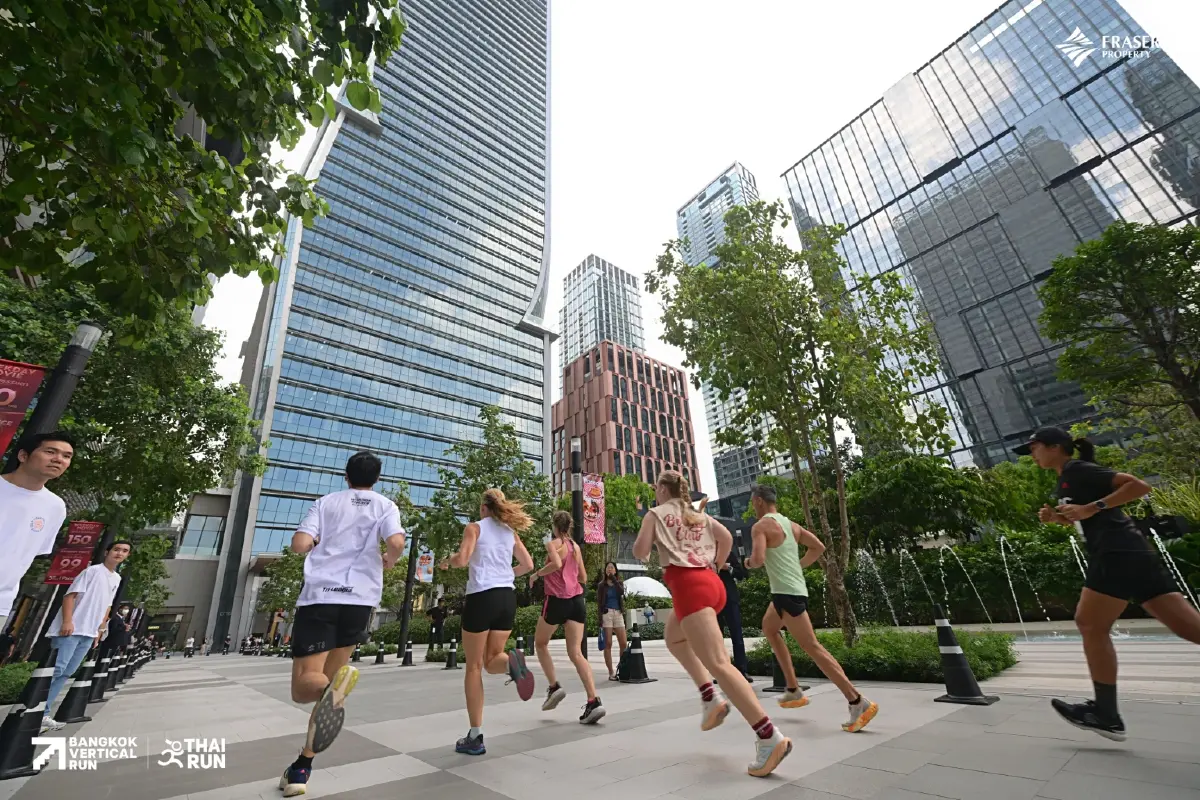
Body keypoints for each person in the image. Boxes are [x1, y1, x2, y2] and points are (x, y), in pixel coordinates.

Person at [1016, 426, 1200, 740]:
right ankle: (1106, 712)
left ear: (1055, 447)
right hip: (1131, 553)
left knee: (1088, 622)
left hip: (1117, 553)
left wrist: (1090, 507)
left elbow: (1138, 486)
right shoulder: (1066, 478)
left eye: (1034, 448)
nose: (1031, 455)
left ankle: (1106, 713)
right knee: (1189, 628)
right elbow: (1089, 516)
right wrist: (1061, 517)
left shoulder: (1079, 470)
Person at [633, 470, 791, 778]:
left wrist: (653, 535)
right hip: (710, 583)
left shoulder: (655, 513)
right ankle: (709, 696)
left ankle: (769, 735)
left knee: (720, 664)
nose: (654, 494)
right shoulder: (696, 514)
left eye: (656, 489)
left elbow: (639, 551)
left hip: (688, 586)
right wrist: (716, 565)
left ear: (664, 490)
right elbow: (727, 537)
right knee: (674, 639)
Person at [278, 450, 406, 797]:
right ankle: (301, 768)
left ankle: (329, 692)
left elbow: (299, 544)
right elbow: (396, 541)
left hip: (321, 596)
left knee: (304, 688)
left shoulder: (326, 502)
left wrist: (314, 542)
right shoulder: (386, 505)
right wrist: (389, 560)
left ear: (346, 476)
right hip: (360, 600)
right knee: (329, 686)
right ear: (376, 478)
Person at [747, 484, 878, 732]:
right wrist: (797, 566)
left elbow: (758, 560)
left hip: (787, 594)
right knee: (769, 628)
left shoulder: (761, 526)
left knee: (813, 647)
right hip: (788, 591)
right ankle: (793, 688)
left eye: (753, 502)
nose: (753, 506)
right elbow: (818, 547)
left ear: (759, 501)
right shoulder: (791, 525)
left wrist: (748, 562)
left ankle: (857, 700)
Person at [438, 488, 536, 756]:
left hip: (482, 597)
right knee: (494, 661)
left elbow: (463, 559)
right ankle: (513, 662)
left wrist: (447, 562)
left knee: (474, 667)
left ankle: (475, 736)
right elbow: (528, 564)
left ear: (483, 507)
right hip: (506, 597)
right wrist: (505, 573)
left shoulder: (474, 528)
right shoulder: (509, 532)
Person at [41, 539, 131, 730]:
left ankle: (44, 713)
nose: (120, 553)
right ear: (107, 551)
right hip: (72, 628)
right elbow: (70, 595)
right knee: (56, 669)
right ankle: (34, 708)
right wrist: (67, 621)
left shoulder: (116, 578)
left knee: (67, 672)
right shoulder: (91, 571)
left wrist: (99, 630)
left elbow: (107, 605)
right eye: (116, 549)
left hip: (89, 632)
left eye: (124, 551)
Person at [530, 511, 604, 724]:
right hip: (576, 601)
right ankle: (593, 701)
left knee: (541, 643)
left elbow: (556, 564)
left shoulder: (553, 544)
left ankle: (554, 687)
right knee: (576, 653)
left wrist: (537, 574)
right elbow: (583, 577)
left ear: (554, 525)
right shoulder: (575, 547)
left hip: (556, 601)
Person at [0, 432, 74, 632]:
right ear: (23, 456)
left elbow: (31, 553)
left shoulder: (55, 507)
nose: (59, 459)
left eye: (67, 456)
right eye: (50, 452)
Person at [596, 562, 627, 681]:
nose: (609, 569)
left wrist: (614, 579)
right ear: (605, 570)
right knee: (608, 644)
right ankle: (611, 672)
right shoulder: (601, 585)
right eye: (608, 567)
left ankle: (622, 668)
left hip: (618, 613)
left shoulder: (618, 583)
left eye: (612, 567)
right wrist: (600, 619)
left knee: (623, 643)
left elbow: (621, 592)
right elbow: (599, 603)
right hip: (607, 614)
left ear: (615, 570)